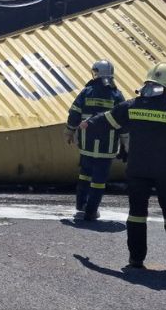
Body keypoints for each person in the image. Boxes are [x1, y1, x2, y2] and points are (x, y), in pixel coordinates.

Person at [80, 63, 166, 272]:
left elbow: (105, 120)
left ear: (148, 81)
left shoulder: (131, 106)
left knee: (136, 214)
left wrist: (86, 124)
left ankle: (136, 259)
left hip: (137, 170)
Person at [64, 60, 125, 221]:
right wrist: (125, 143)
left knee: (85, 174)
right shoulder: (116, 94)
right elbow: (123, 120)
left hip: (87, 144)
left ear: (96, 72)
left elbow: (74, 113)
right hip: (107, 146)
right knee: (99, 179)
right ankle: (91, 211)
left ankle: (81, 205)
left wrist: (69, 131)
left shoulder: (87, 91)